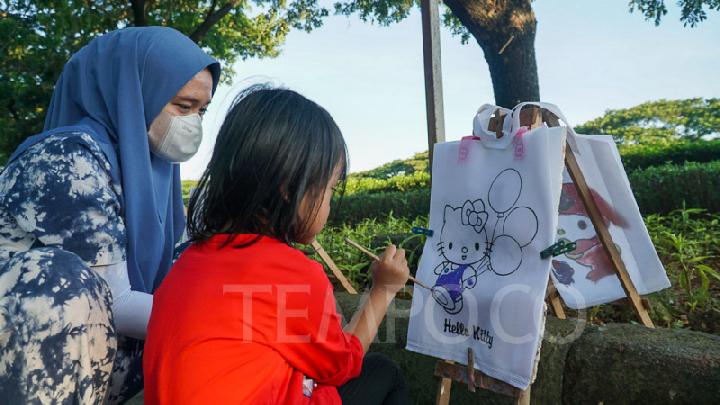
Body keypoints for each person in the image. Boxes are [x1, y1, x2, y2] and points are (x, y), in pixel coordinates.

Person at [143, 85, 411, 404]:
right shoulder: (290, 273)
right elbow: (342, 367)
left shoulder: (189, 262)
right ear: (289, 187)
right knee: (382, 371)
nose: (328, 204)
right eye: (330, 188)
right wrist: (383, 290)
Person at [0, 27, 220, 403]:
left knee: (206, 261)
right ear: (133, 94)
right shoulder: (66, 158)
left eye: (202, 110)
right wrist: (230, 326)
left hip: (107, 361)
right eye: (183, 107)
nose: (194, 123)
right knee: (64, 281)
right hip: (29, 362)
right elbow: (111, 301)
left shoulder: (154, 171)